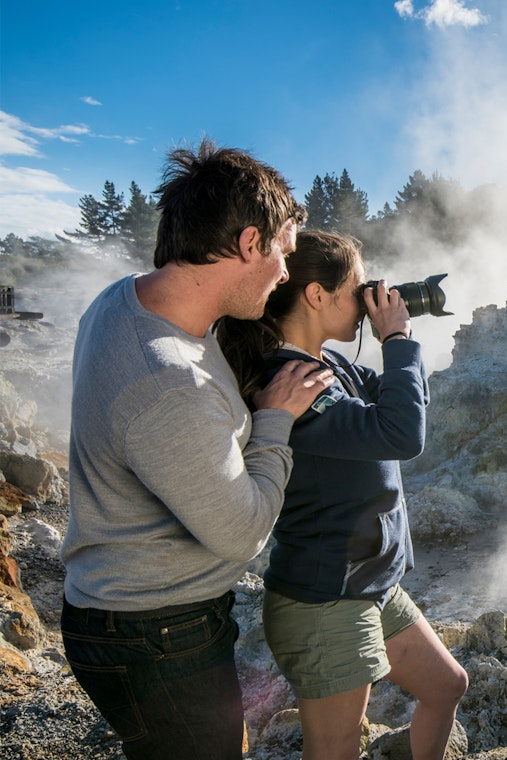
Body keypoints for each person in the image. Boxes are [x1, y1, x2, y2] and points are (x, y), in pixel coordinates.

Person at [60, 139, 336, 760]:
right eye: (283, 254)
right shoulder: (168, 384)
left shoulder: (125, 296)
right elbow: (241, 535)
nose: (288, 274)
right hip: (154, 633)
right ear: (247, 243)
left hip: (127, 616)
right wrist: (273, 421)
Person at [216, 229, 467, 760]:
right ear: (316, 295)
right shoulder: (293, 383)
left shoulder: (334, 367)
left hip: (370, 583)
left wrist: (396, 340)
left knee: (447, 686)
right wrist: (396, 340)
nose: (365, 299)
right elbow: (403, 435)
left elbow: (406, 405)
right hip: (327, 599)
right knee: (334, 753)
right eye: (356, 288)